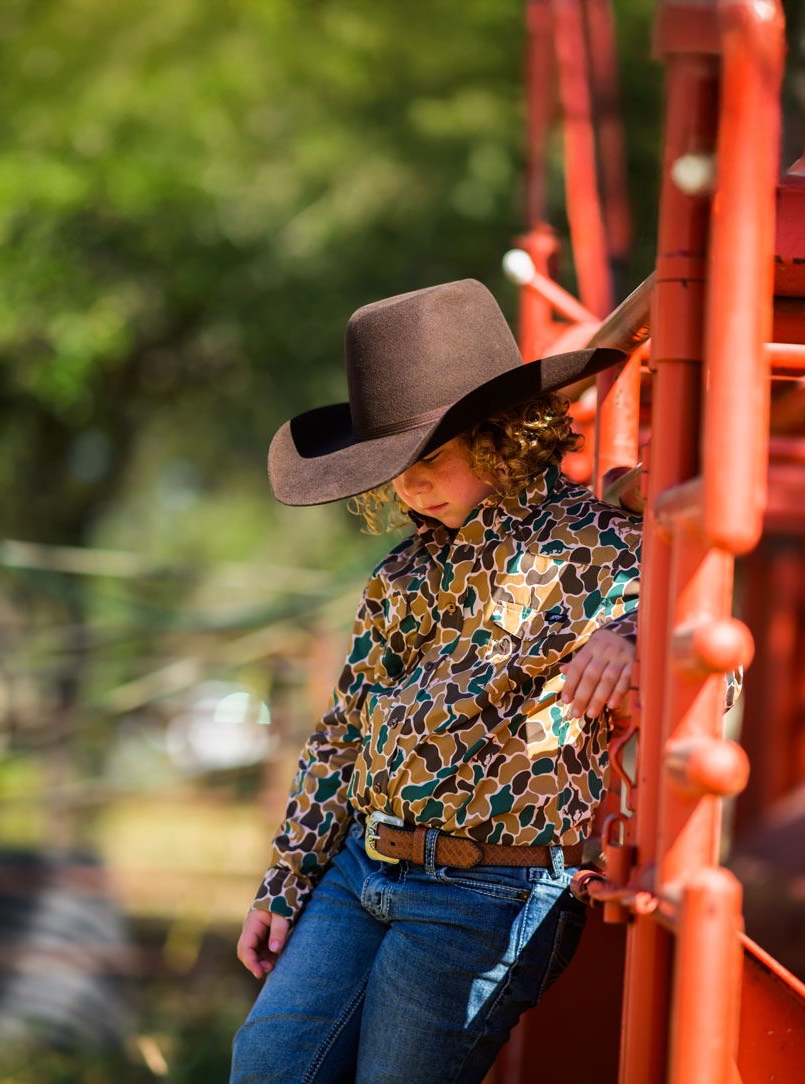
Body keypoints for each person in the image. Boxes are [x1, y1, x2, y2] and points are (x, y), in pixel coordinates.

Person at [231, 278, 641, 1084]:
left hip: (491, 884)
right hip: (362, 865)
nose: (408, 484)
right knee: (269, 1064)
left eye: (431, 457)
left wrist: (633, 637)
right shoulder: (401, 576)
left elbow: (715, 649)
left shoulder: (604, 548)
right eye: (393, 466)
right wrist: (285, 883)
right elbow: (345, 731)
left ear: (503, 437)